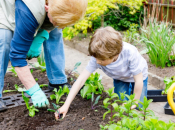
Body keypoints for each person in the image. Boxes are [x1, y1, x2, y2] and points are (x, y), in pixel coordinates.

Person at [0, 0, 87, 111]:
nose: (58, 25)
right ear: (47, 8)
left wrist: (43, 34)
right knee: (4, 38)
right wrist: (34, 90)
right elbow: (17, 56)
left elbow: (54, 22)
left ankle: (58, 81)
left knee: (56, 31)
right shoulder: (29, 11)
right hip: (6, 5)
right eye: (56, 22)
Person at [55, 26, 148, 120]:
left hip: (139, 77)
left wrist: (135, 102)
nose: (98, 62)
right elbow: (80, 80)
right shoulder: (97, 57)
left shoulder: (130, 53)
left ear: (116, 55)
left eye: (102, 60)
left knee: (139, 105)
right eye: (96, 58)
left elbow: (138, 80)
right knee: (121, 104)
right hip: (119, 77)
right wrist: (65, 105)